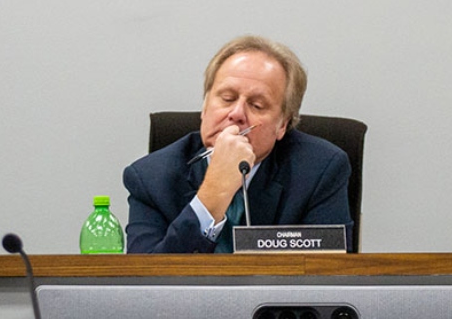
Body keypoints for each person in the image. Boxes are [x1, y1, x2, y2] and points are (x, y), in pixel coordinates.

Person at [123, 35, 352, 253]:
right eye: (227, 99)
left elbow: (325, 277)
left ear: (283, 124)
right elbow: (147, 282)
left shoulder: (320, 170)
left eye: (257, 105)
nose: (236, 114)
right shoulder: (149, 178)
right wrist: (214, 192)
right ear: (204, 106)